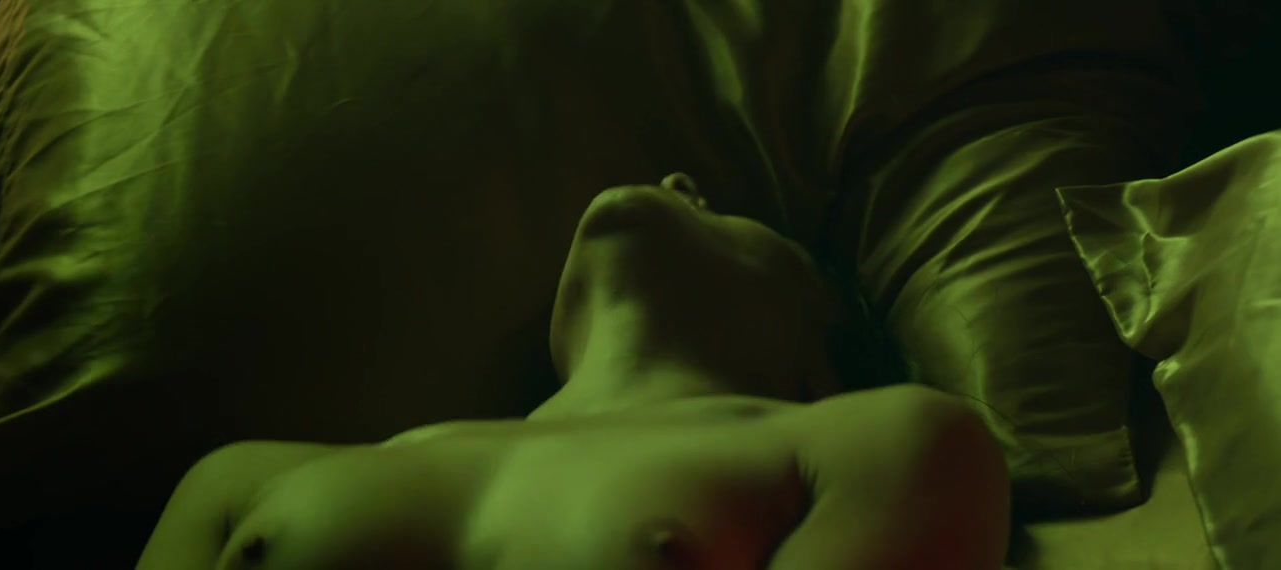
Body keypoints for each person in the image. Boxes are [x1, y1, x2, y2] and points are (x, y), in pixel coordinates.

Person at [135, 174, 1010, 569]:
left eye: (729, 210)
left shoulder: (883, 439)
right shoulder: (242, 476)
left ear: (818, 363)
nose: (678, 179)